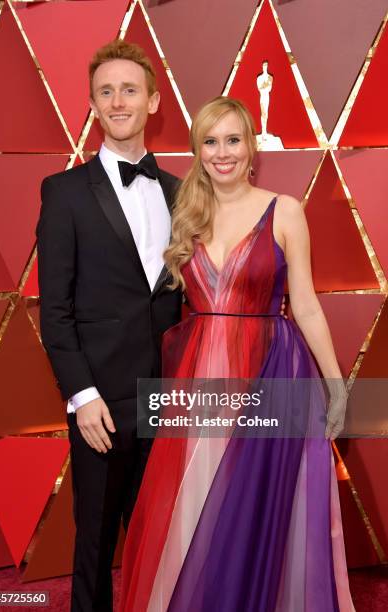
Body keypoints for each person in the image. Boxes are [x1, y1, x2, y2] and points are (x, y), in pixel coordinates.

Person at [120, 97, 355, 611]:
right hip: (200, 374)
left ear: (251, 146)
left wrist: (335, 385)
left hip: (271, 370)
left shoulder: (284, 209)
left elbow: (308, 306)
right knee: (196, 501)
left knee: (255, 506)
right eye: (210, 142)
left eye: (233, 140)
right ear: (197, 151)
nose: (222, 153)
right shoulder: (185, 212)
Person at [37, 39, 182, 612]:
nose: (117, 100)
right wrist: (82, 395)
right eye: (105, 92)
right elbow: (55, 311)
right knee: (95, 542)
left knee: (161, 539)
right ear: (93, 105)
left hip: (168, 398)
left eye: (129, 89)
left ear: (153, 101)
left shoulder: (179, 192)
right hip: (100, 402)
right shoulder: (64, 192)